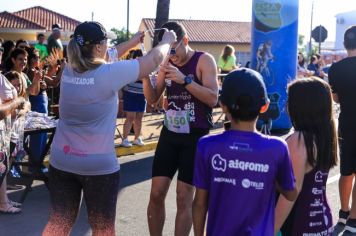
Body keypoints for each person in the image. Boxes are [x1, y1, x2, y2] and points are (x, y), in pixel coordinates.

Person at [42, 21, 176, 236]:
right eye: (105, 43)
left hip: (62, 160)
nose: (108, 47)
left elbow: (109, 54)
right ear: (97, 47)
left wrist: (132, 42)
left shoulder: (69, 70)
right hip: (98, 166)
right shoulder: (109, 74)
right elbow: (153, 60)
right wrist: (167, 42)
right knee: (103, 229)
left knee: (59, 223)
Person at [192, 68, 298, 236]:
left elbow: (199, 203)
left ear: (223, 105)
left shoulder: (207, 145)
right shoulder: (277, 148)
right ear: (265, 107)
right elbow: (291, 194)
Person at [143, 21, 219, 236]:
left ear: (185, 41)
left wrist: (184, 80)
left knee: (183, 196)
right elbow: (154, 99)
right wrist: (145, 80)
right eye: (168, 51)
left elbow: (213, 98)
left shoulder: (204, 60)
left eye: (174, 50)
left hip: (195, 136)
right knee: (156, 194)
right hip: (170, 134)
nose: (172, 56)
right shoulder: (166, 61)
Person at [274, 76, 337, 235]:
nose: (286, 104)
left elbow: (290, 194)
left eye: (290, 99)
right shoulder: (325, 136)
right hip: (322, 221)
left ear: (302, 106)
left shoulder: (300, 140)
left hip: (299, 225)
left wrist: (270, 229)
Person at [328, 25, 356, 234]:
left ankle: (344, 211)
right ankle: (354, 219)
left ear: (345, 45)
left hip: (346, 121)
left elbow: (335, 98)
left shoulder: (335, 69)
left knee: (346, 170)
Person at [0, 72, 27, 214]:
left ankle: (4, 201)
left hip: (6, 133)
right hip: (4, 133)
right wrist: (16, 104)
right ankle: (3, 202)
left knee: (3, 168)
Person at [121, 49, 147, 147]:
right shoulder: (130, 66)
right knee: (130, 117)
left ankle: (137, 138)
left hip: (142, 95)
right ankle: (125, 139)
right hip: (130, 94)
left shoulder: (145, 67)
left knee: (139, 118)